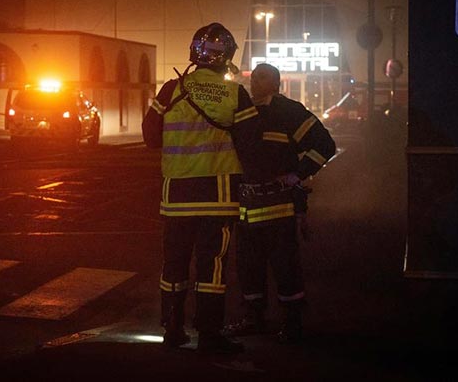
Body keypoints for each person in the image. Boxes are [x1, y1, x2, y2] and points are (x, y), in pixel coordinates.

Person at [142, 22, 262, 355]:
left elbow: (150, 137)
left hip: (177, 196)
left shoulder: (171, 90)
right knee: (213, 267)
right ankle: (209, 333)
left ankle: (172, 328)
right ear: (227, 56)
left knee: (174, 264)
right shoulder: (235, 93)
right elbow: (252, 145)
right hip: (219, 196)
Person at [224, 63, 336, 344]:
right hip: (245, 206)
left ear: (276, 83)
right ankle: (253, 317)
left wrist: (297, 174)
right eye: (254, 77)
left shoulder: (288, 111)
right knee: (248, 265)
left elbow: (325, 145)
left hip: (278, 206)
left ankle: (293, 322)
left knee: (285, 266)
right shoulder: (242, 111)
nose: (256, 82)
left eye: (263, 77)